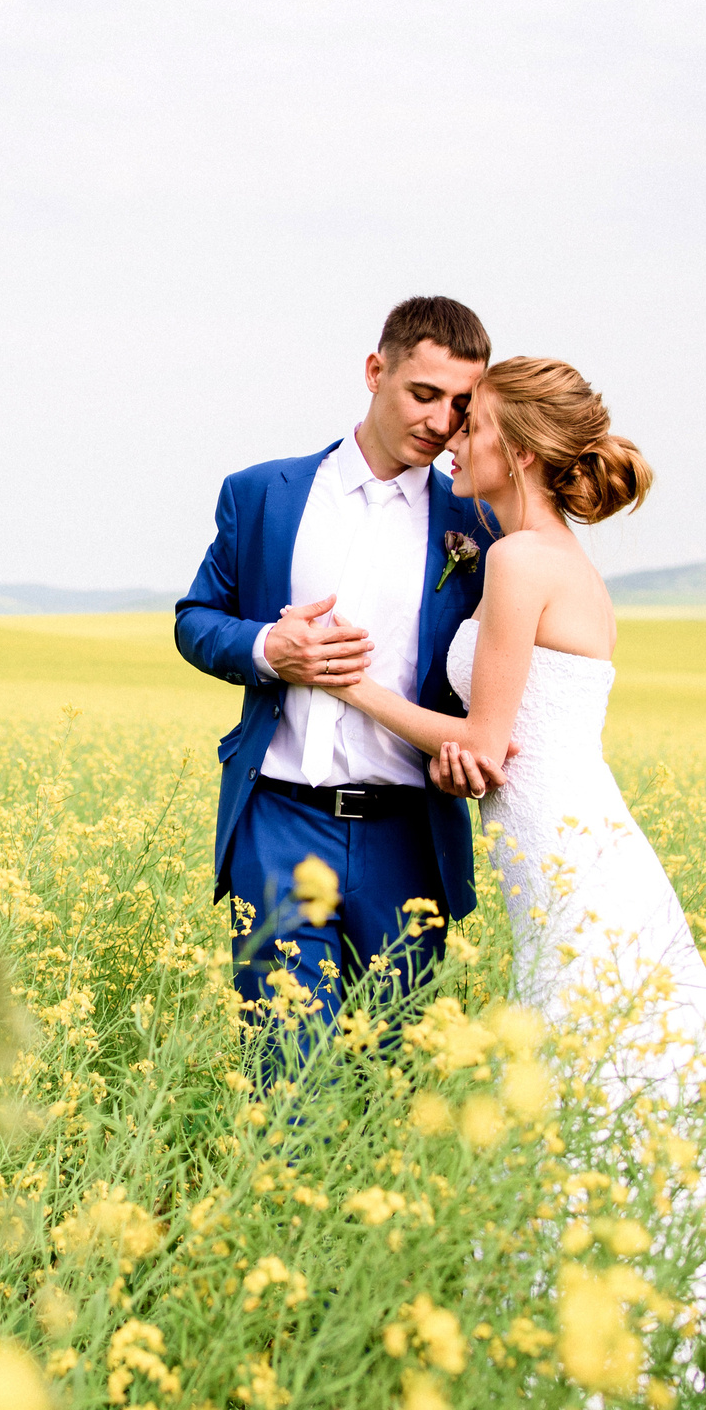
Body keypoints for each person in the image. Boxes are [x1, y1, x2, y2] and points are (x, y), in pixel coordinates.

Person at [331, 355, 706, 1254]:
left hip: (567, 857)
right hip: (581, 844)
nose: (453, 438)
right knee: (624, 1074)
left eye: (474, 424)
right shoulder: (560, 562)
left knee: (592, 1075)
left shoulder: (522, 561)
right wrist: (461, 760)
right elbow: (495, 746)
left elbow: (484, 743)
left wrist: (350, 683)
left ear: (518, 451)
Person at [173, 297, 501, 1062]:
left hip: (410, 831)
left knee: (392, 1085)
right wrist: (267, 649)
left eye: (461, 405)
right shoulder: (262, 494)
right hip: (279, 819)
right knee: (282, 1076)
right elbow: (196, 618)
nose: (441, 421)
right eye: (424, 394)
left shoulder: (480, 519)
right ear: (374, 371)